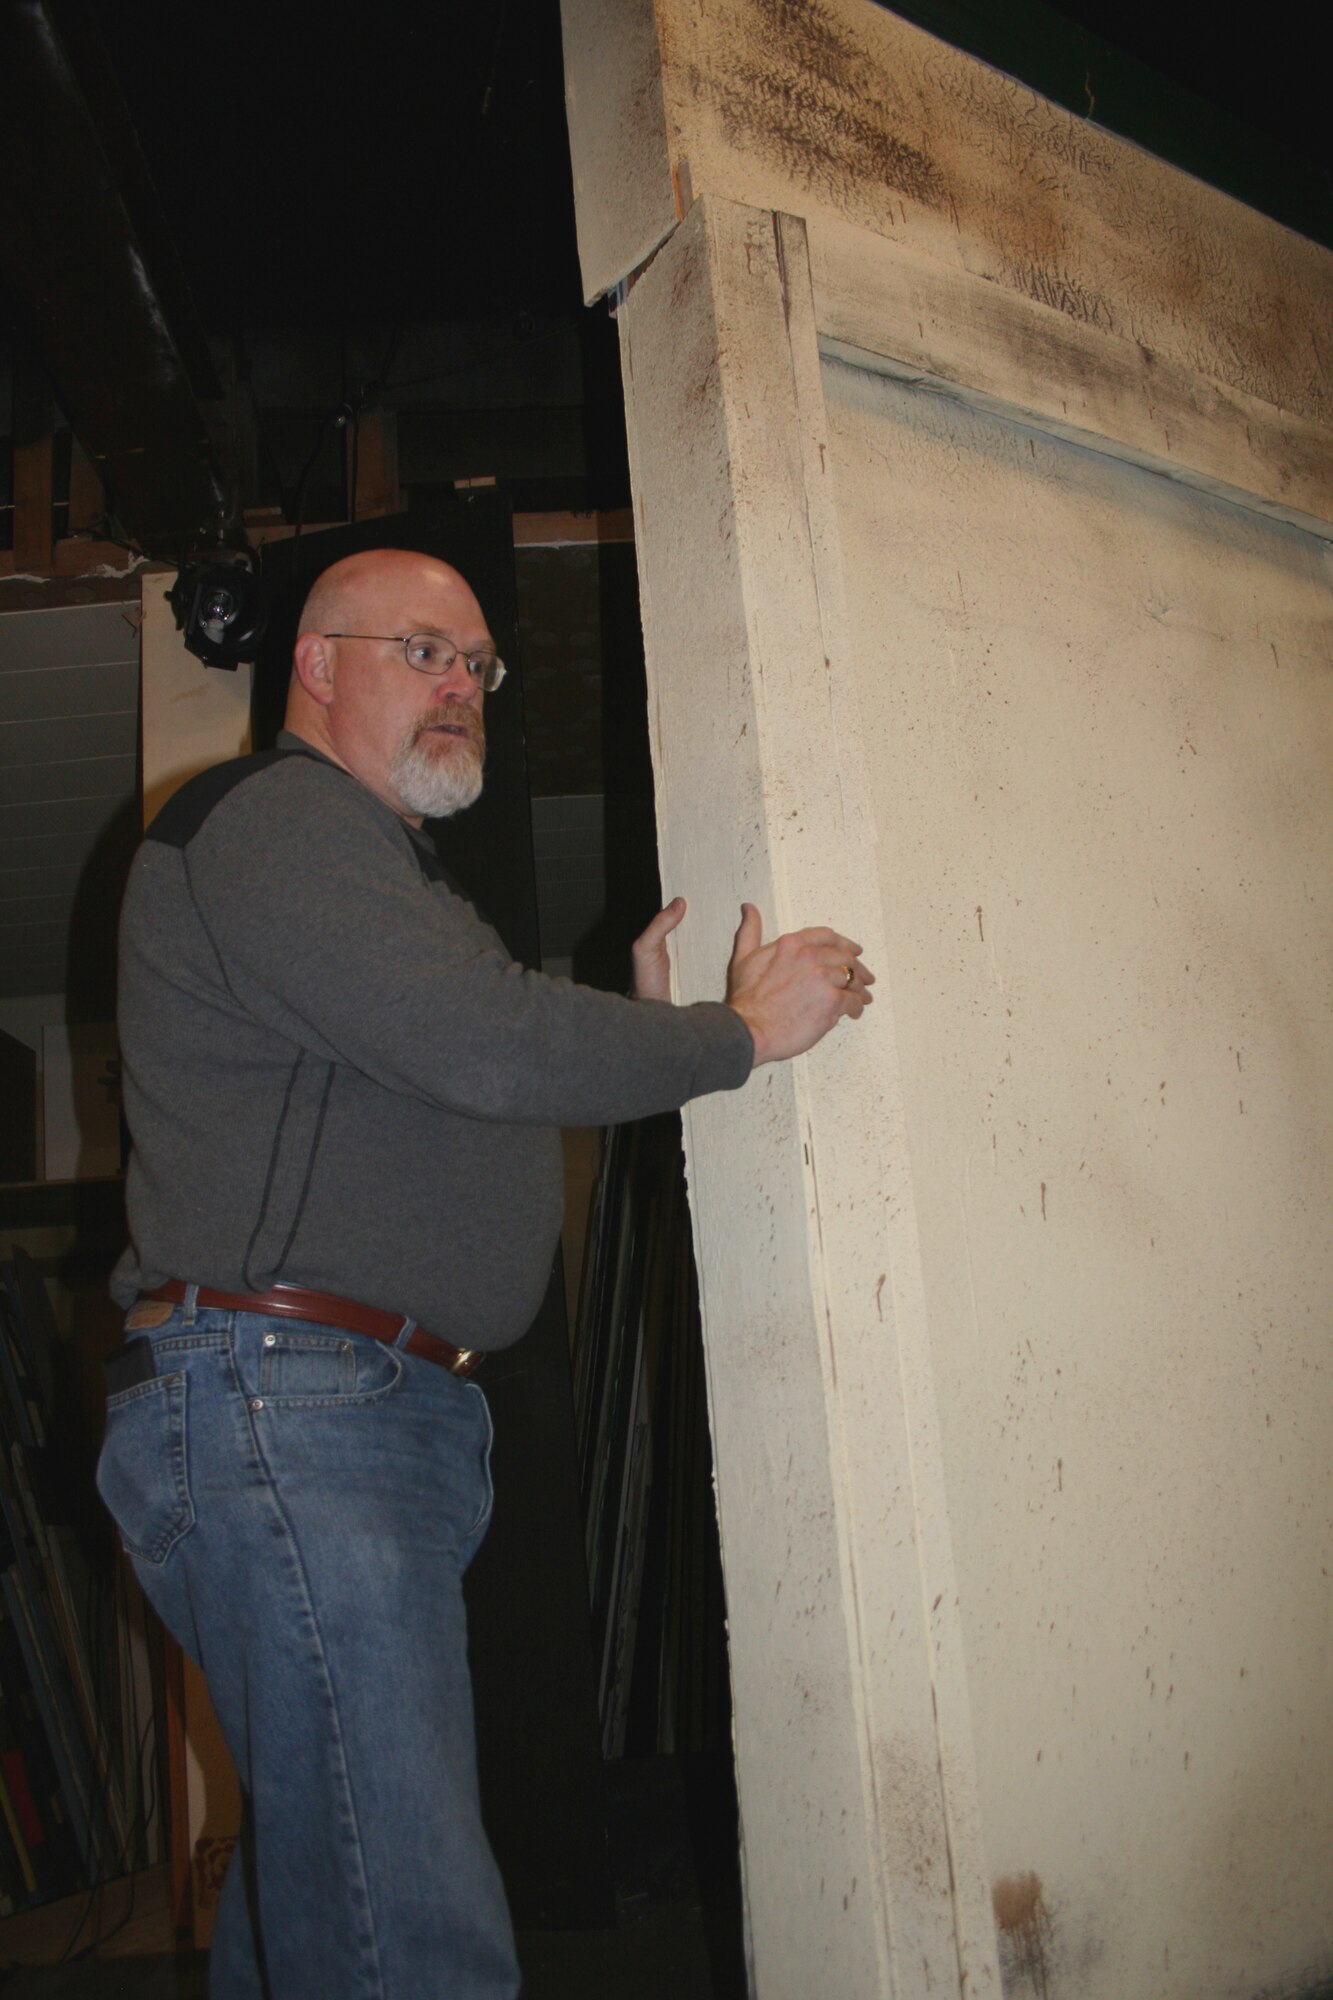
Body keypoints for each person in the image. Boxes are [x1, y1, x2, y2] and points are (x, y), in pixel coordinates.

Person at [97, 547, 873, 1999]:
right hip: (295, 1407)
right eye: (420, 651)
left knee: (333, 1896)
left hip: (331, 1414)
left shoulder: (376, 875)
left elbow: (466, 1064)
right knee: (406, 1924)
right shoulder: (278, 820)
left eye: (476, 665)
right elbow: (484, 1044)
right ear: (314, 666)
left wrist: (639, 1034)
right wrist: (735, 1037)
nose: (459, 685)